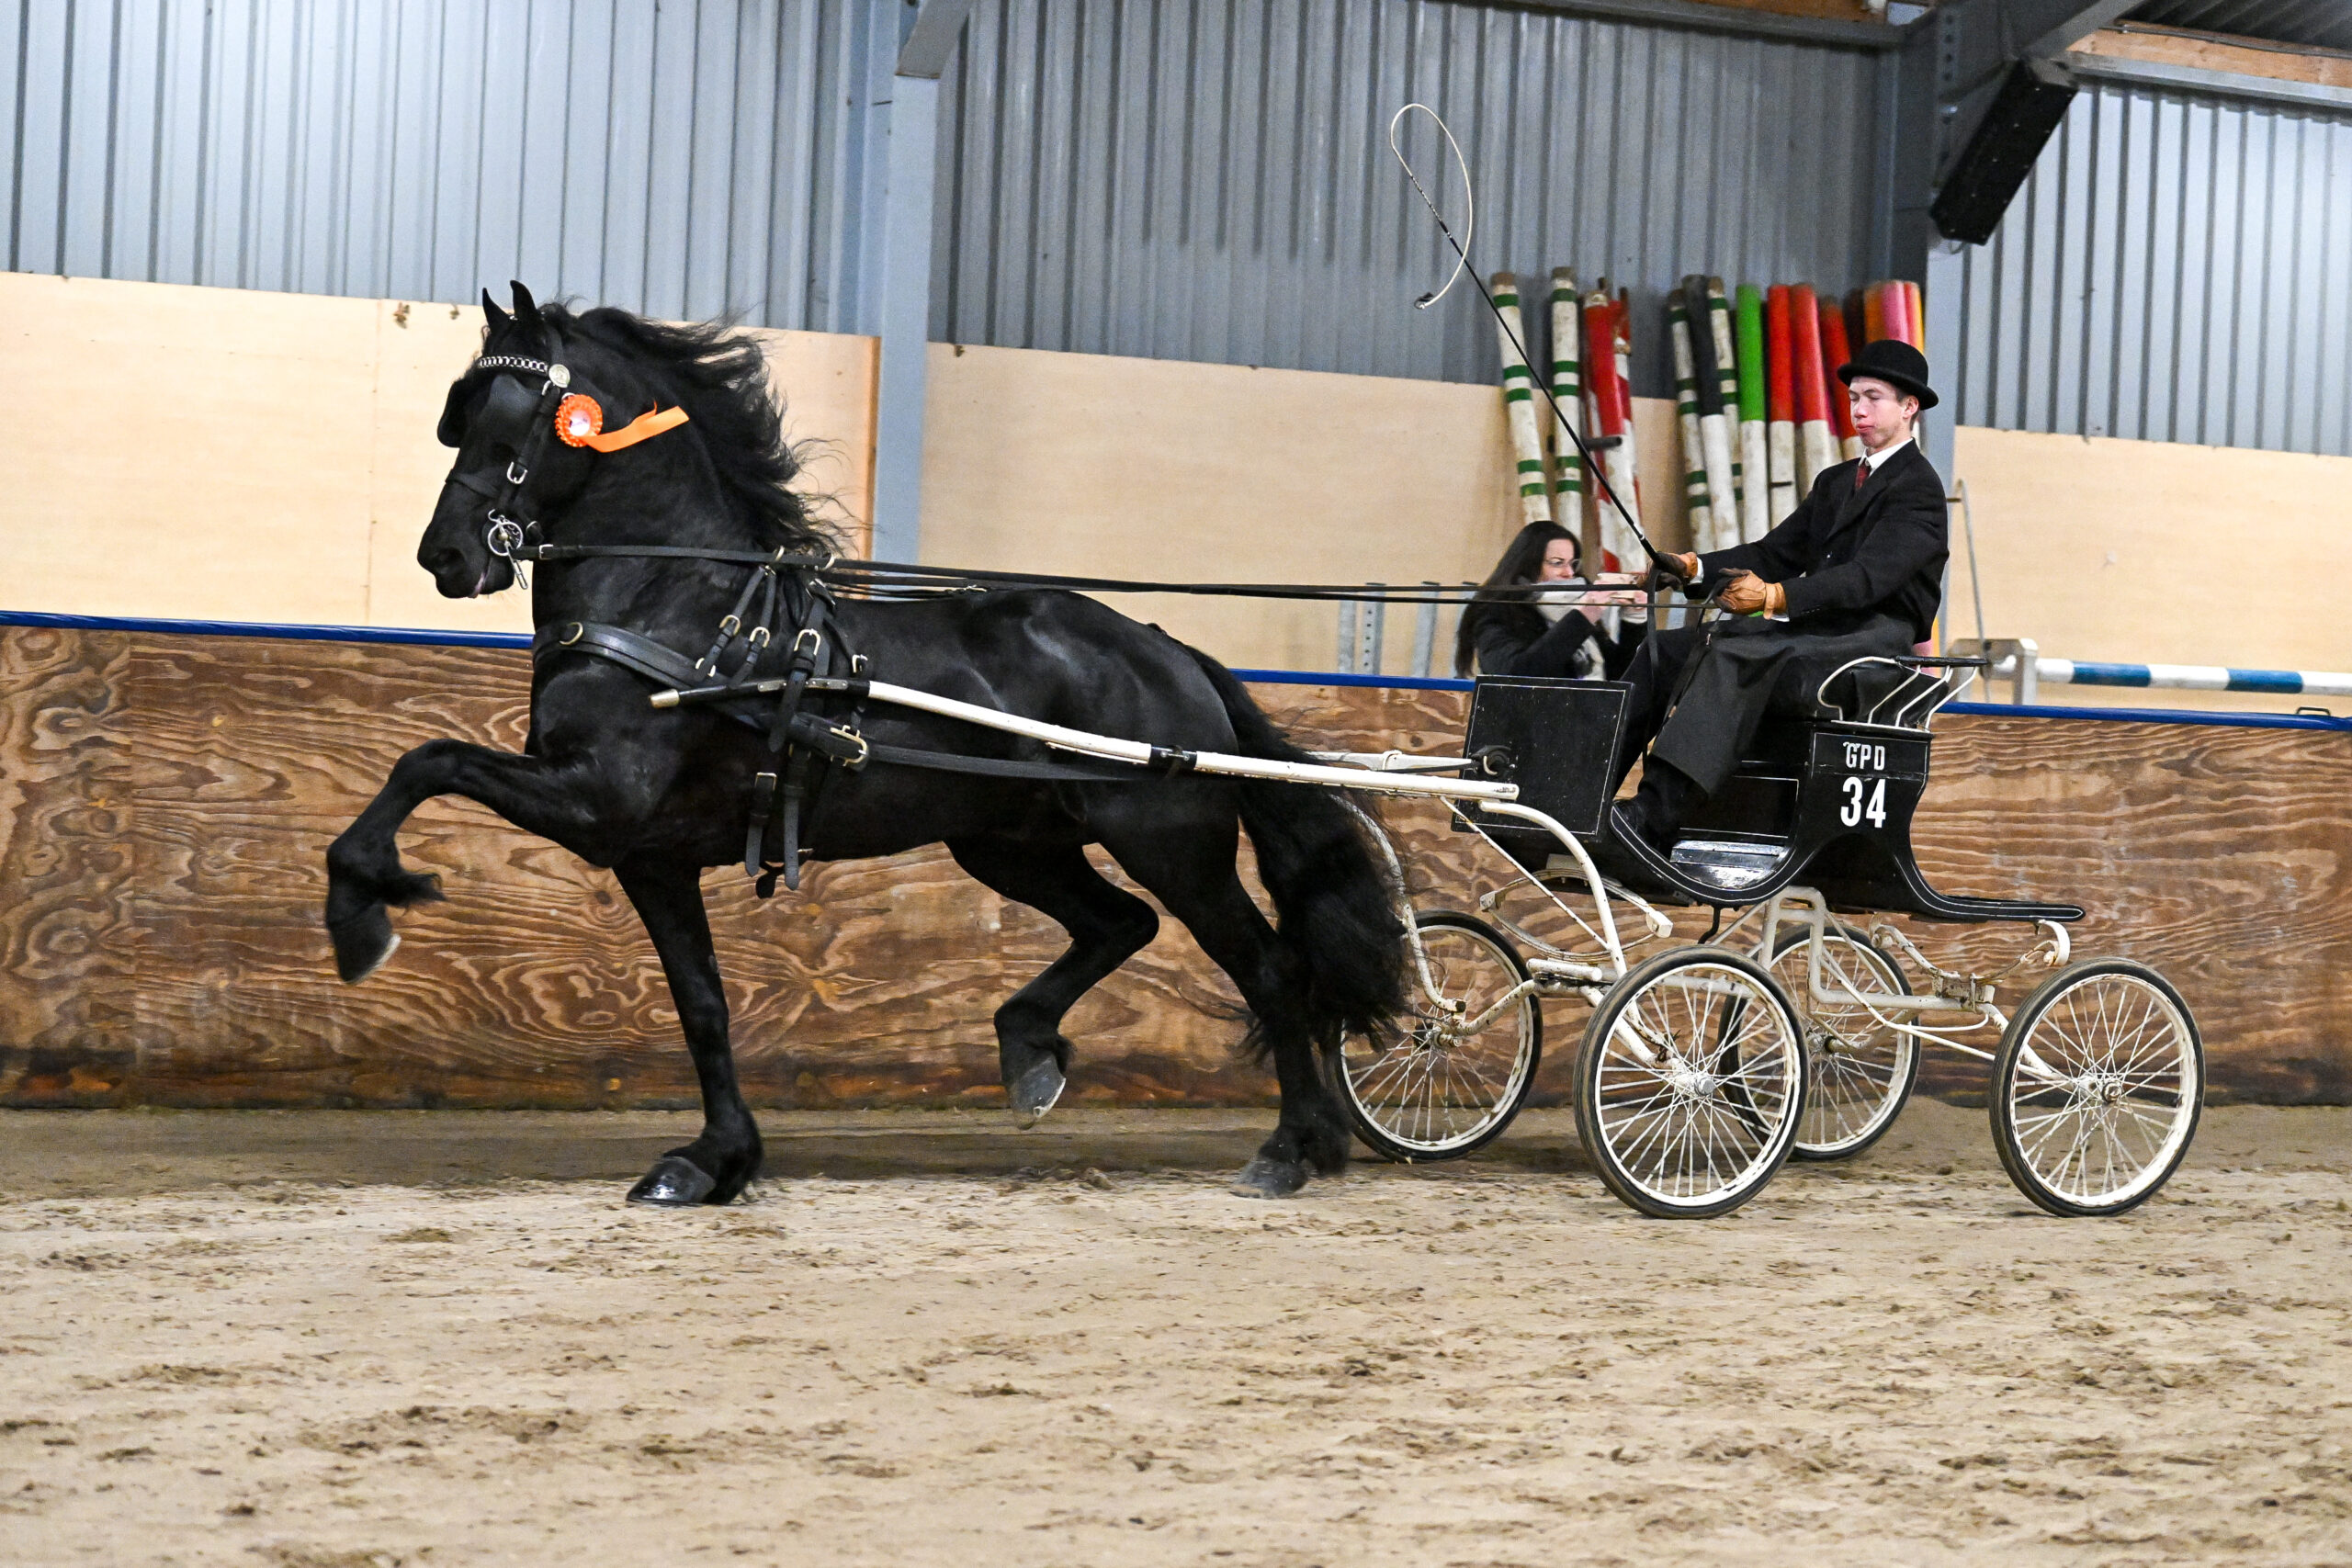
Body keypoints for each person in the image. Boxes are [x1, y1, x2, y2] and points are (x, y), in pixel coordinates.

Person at [1609, 338, 1950, 857]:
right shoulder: (1837, 481)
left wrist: (1772, 597)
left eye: (1873, 397)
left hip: (1875, 641)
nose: (1858, 409)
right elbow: (1775, 551)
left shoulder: (1919, 488)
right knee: (1666, 652)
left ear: (1909, 407)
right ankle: (1587, 792)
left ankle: (1655, 815)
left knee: (1738, 650)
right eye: (1854, 396)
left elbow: (1865, 581)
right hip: (1821, 631)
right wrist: (1694, 567)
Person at [1453, 522, 1648, 680]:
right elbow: (1516, 674)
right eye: (1557, 563)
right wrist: (1581, 618)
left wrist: (1634, 618)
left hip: (1593, 717)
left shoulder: (1572, 605)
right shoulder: (1495, 610)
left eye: (1573, 564)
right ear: (1528, 564)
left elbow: (1618, 676)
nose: (1569, 573)